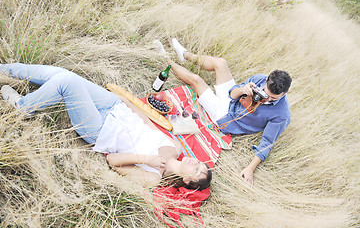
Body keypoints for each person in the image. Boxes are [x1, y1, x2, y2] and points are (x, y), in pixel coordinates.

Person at [0, 63, 212, 190]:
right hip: (114, 108)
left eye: (197, 170)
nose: (197, 163)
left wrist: (148, 160)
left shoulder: (153, 177)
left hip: (100, 129)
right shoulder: (177, 149)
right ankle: (6, 68)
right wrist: (125, 101)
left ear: (186, 179)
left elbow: (113, 162)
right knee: (65, 74)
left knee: (67, 81)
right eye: (201, 164)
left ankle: (23, 107)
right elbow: (147, 122)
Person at [154, 38, 292, 186]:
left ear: (286, 92)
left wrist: (250, 168)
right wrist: (242, 90)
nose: (267, 99)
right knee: (221, 63)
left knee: (196, 80)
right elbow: (232, 94)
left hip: (225, 116)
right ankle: (185, 55)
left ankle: (166, 59)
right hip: (231, 100)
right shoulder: (260, 79)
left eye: (273, 98)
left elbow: (267, 143)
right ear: (267, 81)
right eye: (266, 94)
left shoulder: (281, 114)